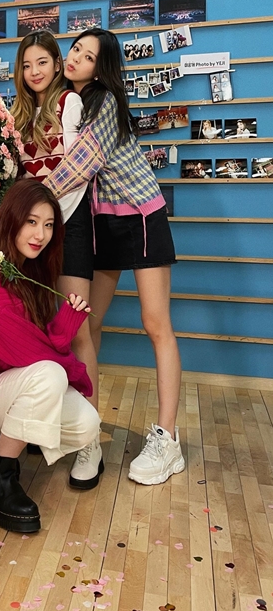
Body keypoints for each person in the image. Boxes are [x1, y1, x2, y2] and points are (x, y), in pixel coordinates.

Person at [42, 28, 185, 486]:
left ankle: (168, 439)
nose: (75, 58)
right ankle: (87, 428)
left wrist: (32, 199)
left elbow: (83, 162)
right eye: (75, 50)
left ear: (101, 69)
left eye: (87, 56)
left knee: (155, 323)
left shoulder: (103, 100)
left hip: (140, 216)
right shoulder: (70, 102)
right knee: (88, 325)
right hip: (102, 221)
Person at [0, 181, 100, 533]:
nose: (40, 235)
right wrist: (75, 372)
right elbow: (28, 349)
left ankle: (11, 440)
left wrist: (65, 322)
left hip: (13, 385)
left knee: (87, 424)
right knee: (51, 374)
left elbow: (39, 344)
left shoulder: (32, 270)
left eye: (48, 225)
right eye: (32, 222)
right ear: (11, 219)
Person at [11, 30, 100, 488]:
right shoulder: (18, 112)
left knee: (76, 327)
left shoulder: (70, 103)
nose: (34, 72)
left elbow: (78, 171)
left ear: (57, 63)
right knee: (37, 326)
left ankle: (91, 441)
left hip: (68, 224)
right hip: (32, 232)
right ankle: (44, 420)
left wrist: (46, 218)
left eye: (42, 62)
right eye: (27, 65)